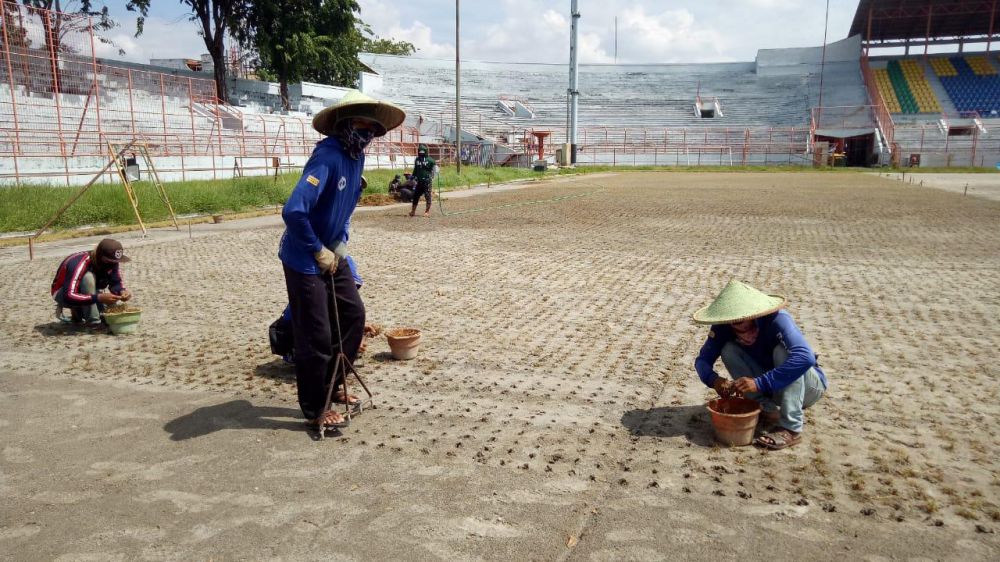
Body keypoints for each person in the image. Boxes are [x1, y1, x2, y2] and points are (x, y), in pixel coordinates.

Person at [279, 90, 405, 431]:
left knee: (353, 314)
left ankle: (334, 383)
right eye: (363, 125)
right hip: (303, 256)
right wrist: (317, 250)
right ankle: (315, 407)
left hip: (330, 250)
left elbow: (341, 211)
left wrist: (338, 247)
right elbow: (293, 211)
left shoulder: (355, 158)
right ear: (346, 124)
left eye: (373, 129)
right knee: (315, 333)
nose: (368, 134)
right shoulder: (328, 157)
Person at [692, 280, 828, 450]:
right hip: (773, 389)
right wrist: (714, 380)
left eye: (743, 314)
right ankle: (767, 409)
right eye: (732, 315)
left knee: (782, 352)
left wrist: (759, 383)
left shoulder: (777, 319)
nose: (737, 319)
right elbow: (702, 361)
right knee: (728, 349)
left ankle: (791, 428)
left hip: (808, 389)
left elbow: (805, 357)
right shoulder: (723, 328)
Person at [51, 239, 133, 327]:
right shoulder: (80, 263)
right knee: (88, 277)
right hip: (63, 294)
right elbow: (69, 295)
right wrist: (99, 298)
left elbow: (115, 282)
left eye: (115, 262)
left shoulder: (111, 262)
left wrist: (121, 291)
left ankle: (79, 314)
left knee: (107, 316)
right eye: (109, 261)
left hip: (91, 292)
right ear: (99, 256)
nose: (112, 264)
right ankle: (93, 322)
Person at [409, 143, 435, 217]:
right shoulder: (417, 160)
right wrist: (413, 176)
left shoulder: (431, 160)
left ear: (426, 152)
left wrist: (432, 177)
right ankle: (413, 211)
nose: (421, 154)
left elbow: (434, 170)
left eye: (423, 153)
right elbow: (415, 169)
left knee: (427, 196)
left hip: (427, 182)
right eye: (420, 152)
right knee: (416, 196)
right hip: (419, 182)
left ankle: (427, 212)